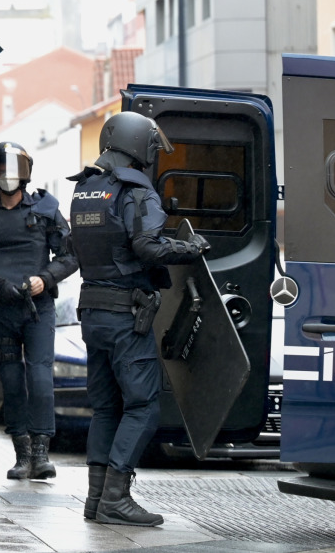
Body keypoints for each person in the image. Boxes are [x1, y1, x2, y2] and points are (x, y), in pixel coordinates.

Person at [67, 111, 210, 527]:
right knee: (143, 406)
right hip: (126, 315)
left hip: (92, 312)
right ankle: (116, 498)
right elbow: (148, 246)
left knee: (106, 408)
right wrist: (191, 248)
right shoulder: (136, 189)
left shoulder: (86, 189)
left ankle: (96, 500)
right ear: (138, 144)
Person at [0, 142, 78, 481]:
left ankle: (41, 453)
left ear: (25, 175)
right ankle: (21, 454)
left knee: (40, 378)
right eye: (1, 171)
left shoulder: (45, 208)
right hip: (0, 309)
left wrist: (45, 278)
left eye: (13, 172)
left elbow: (70, 256)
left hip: (37, 307)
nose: (8, 178)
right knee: (10, 381)